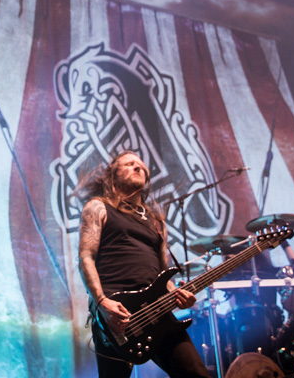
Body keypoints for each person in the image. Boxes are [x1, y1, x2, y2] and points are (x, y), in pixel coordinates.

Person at [77, 150, 210, 378]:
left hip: (157, 313)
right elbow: (85, 257)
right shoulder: (98, 207)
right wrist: (101, 302)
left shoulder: (157, 222)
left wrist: (178, 295)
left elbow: (163, 273)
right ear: (113, 175)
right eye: (129, 164)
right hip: (117, 313)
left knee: (197, 374)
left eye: (142, 167)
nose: (138, 168)